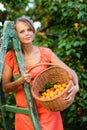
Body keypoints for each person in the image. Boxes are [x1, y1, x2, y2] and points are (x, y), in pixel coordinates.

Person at [2, 17, 79, 130]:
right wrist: (21, 80)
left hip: (48, 111)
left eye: (29, 29)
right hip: (25, 113)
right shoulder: (11, 57)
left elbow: (70, 72)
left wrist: (76, 87)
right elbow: (5, 88)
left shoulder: (45, 52)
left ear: (33, 31)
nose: (27, 33)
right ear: (16, 35)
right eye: (22, 31)